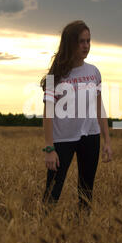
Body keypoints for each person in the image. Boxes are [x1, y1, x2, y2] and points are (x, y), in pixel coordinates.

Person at [39, 20, 113, 215]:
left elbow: (100, 108)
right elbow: (47, 114)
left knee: (86, 193)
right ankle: (42, 234)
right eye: (81, 41)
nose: (86, 46)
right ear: (70, 43)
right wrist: (49, 148)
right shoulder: (55, 76)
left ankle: (82, 234)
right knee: (51, 193)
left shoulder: (94, 72)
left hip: (90, 137)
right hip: (62, 140)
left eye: (88, 41)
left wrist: (106, 141)